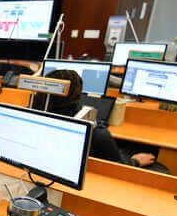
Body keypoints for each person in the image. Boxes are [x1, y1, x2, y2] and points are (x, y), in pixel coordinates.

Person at [33, 69, 163, 170]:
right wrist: (135, 161)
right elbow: (117, 168)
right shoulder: (94, 131)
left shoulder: (32, 117)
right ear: (78, 95)